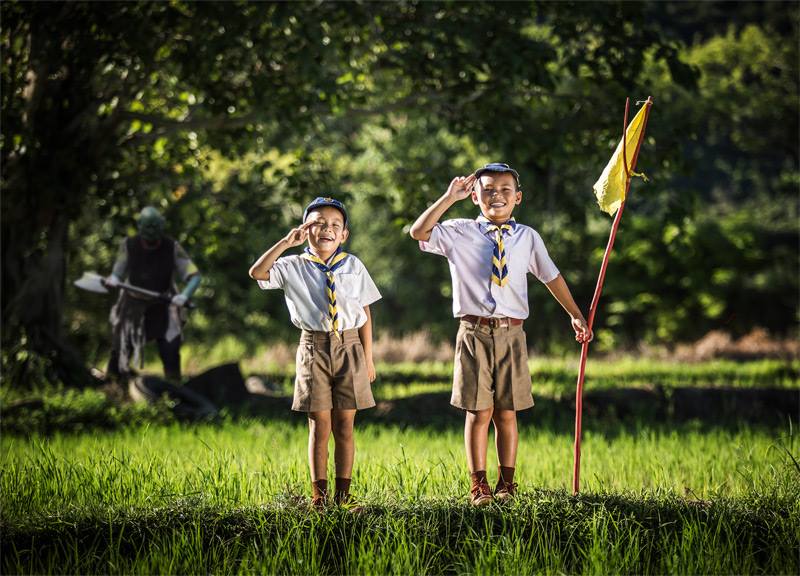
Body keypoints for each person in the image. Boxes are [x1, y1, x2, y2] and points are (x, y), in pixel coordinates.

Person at [409, 162, 592, 506]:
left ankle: (507, 484)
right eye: (488, 190)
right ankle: (479, 486)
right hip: (474, 332)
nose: (497, 196)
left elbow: (550, 276)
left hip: (512, 334)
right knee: (478, 412)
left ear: (518, 197)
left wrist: (576, 314)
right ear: (475, 196)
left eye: (506, 190)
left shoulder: (528, 237)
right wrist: (449, 198)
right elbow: (418, 232)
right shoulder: (458, 230)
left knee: (507, 412)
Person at [249, 197, 380, 509]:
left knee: (345, 424)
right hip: (313, 348)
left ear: (344, 234)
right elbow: (257, 272)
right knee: (319, 424)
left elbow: (365, 311)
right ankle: (319, 498)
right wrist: (285, 242)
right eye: (319, 223)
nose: (327, 229)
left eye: (335, 225)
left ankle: (344, 496)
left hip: (350, 347)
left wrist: (369, 358)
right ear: (305, 228)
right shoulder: (292, 265)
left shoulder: (353, 265)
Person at [105, 206, 201, 383]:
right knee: (120, 351)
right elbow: (117, 273)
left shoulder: (172, 248)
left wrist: (185, 295)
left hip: (164, 306)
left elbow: (194, 277)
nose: (150, 231)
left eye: (154, 226)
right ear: (139, 225)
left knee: (171, 351)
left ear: (161, 226)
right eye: (147, 226)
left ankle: (174, 392)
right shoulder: (128, 245)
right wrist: (113, 278)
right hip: (131, 306)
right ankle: (112, 388)